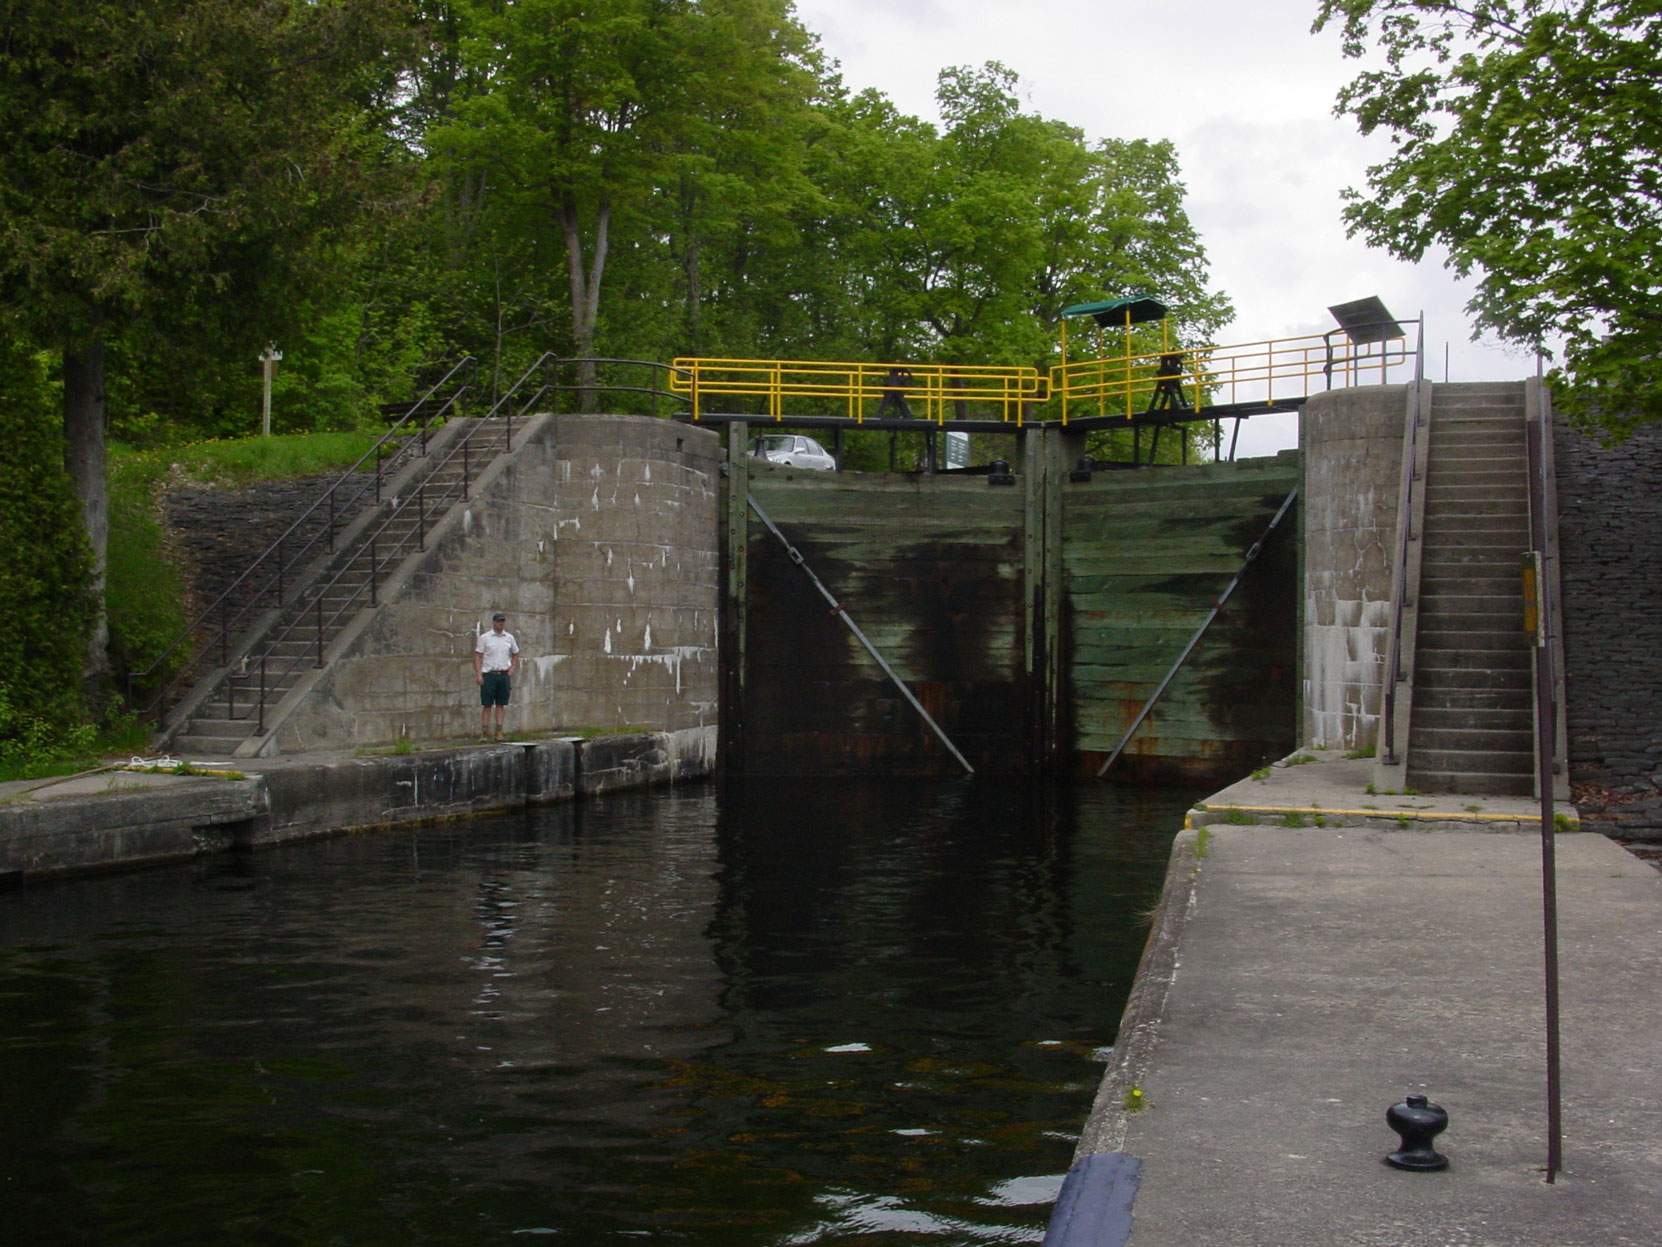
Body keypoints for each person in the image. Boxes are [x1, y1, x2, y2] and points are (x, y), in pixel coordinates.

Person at [474, 611, 520, 740]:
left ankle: (499, 731)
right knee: (487, 703)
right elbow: (478, 655)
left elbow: (516, 652)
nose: (501, 623)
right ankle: (484, 731)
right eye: (498, 621)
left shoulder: (509, 638)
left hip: (503, 674)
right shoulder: (485, 637)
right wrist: (479, 674)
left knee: (501, 703)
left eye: (502, 621)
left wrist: (512, 667)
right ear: (494, 622)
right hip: (489, 674)